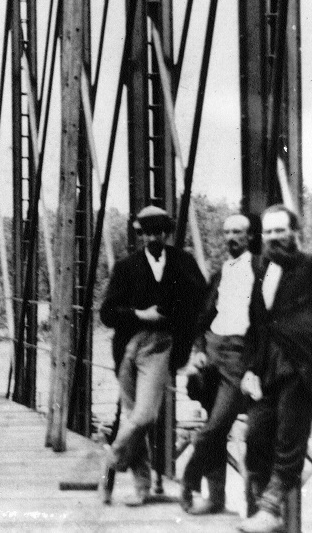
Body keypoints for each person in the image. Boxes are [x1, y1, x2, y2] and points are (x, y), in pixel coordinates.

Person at [99, 205, 207, 506]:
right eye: (147, 232)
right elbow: (107, 313)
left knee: (145, 415)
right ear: (140, 234)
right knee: (135, 419)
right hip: (127, 348)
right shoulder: (126, 267)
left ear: (167, 232)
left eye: (159, 231)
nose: (153, 237)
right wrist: (138, 314)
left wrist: (190, 340)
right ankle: (142, 488)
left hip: (161, 346)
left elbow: (202, 305)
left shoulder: (183, 263)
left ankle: (111, 459)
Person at [237, 204, 312, 533]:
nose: (275, 237)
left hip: (299, 365)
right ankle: (267, 510)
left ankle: (270, 507)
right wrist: (249, 368)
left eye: (281, 230)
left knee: (290, 437)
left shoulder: (309, 268)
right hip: (266, 368)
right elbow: (255, 326)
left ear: (294, 232)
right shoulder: (261, 271)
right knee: (255, 433)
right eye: (269, 231)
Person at [181, 214, 259, 515]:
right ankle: (215, 498)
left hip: (239, 355)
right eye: (227, 232)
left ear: (250, 236)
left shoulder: (261, 269)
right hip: (213, 350)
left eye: (238, 232)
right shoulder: (220, 273)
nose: (231, 238)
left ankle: (189, 477)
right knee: (213, 422)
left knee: (217, 425)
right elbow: (202, 319)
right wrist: (199, 350)